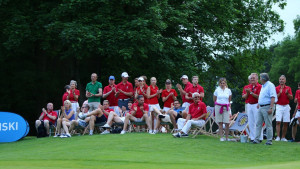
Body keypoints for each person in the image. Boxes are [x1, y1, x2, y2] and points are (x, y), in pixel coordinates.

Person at [253, 73, 277, 145]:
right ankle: (256, 139)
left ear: (263, 79)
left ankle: (269, 140)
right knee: (258, 123)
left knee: (268, 124)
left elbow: (273, 97)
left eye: (260, 78)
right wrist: (259, 103)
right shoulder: (263, 86)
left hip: (267, 106)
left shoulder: (270, 85)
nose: (259, 79)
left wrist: (271, 107)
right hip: (261, 106)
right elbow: (263, 96)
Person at [242, 73, 263, 142]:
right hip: (249, 104)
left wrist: (251, 93)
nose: (252, 79)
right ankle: (252, 137)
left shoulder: (260, 86)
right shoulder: (247, 87)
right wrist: (248, 93)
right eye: (251, 78)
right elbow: (243, 97)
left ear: (257, 79)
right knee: (251, 122)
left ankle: (259, 137)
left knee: (258, 121)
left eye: (254, 78)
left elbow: (259, 96)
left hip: (256, 104)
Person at [275, 75, 293, 142]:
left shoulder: (288, 88)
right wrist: (279, 93)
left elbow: (291, 98)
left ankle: (283, 137)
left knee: (285, 122)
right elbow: (275, 98)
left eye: (282, 79)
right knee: (278, 122)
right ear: (279, 80)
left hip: (286, 106)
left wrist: (287, 93)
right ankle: (278, 137)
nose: (281, 80)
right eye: (280, 79)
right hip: (279, 106)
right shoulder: (276, 88)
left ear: (285, 81)